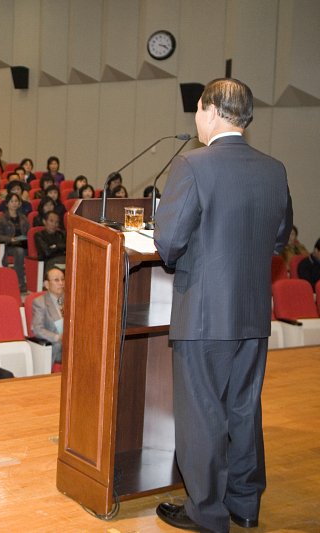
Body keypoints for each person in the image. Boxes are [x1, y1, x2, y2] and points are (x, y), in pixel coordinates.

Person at [153, 78, 292, 533]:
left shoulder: (193, 165)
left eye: (197, 109)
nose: (195, 118)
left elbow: (169, 242)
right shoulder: (275, 169)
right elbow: (278, 239)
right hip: (252, 313)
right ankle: (246, 504)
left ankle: (206, 512)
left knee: (203, 413)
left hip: (205, 314)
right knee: (243, 408)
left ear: (211, 110)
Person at [0, 193, 30, 291]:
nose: (14, 204)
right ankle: (20, 282)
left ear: (19, 203)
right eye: (12, 201)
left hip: (23, 243)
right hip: (8, 246)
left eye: (16, 201)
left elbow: (29, 232)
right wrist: (10, 239)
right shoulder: (1, 218)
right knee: (19, 251)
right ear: (7, 203)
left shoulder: (23, 218)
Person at [30, 266, 65, 365]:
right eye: (56, 280)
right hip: (57, 344)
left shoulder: (71, 298)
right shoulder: (40, 302)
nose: (61, 283)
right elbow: (37, 329)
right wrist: (58, 337)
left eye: (62, 279)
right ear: (46, 284)